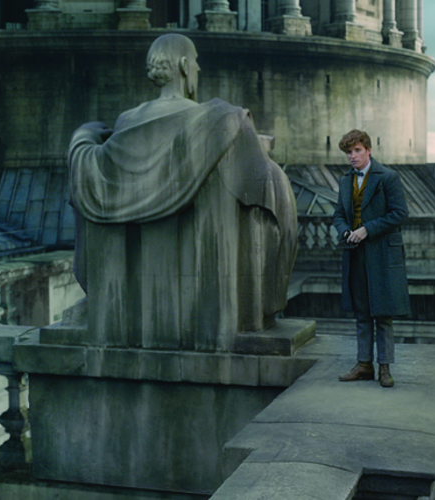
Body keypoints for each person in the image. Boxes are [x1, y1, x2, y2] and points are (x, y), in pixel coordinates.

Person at [67, 33, 297, 350]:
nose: (198, 70)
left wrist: (84, 136)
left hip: (142, 312)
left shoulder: (126, 122)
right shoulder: (220, 121)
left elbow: (94, 169)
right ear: (185, 66)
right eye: (196, 64)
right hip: (205, 306)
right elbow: (263, 183)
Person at [332, 129, 411, 387]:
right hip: (355, 253)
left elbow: (400, 213)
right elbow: (338, 215)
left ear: (368, 150)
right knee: (362, 311)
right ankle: (364, 365)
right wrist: (345, 231)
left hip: (381, 253)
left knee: (383, 312)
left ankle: (384, 368)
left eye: (357, 150)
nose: (352, 156)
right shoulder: (346, 181)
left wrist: (368, 229)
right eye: (348, 152)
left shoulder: (387, 177)